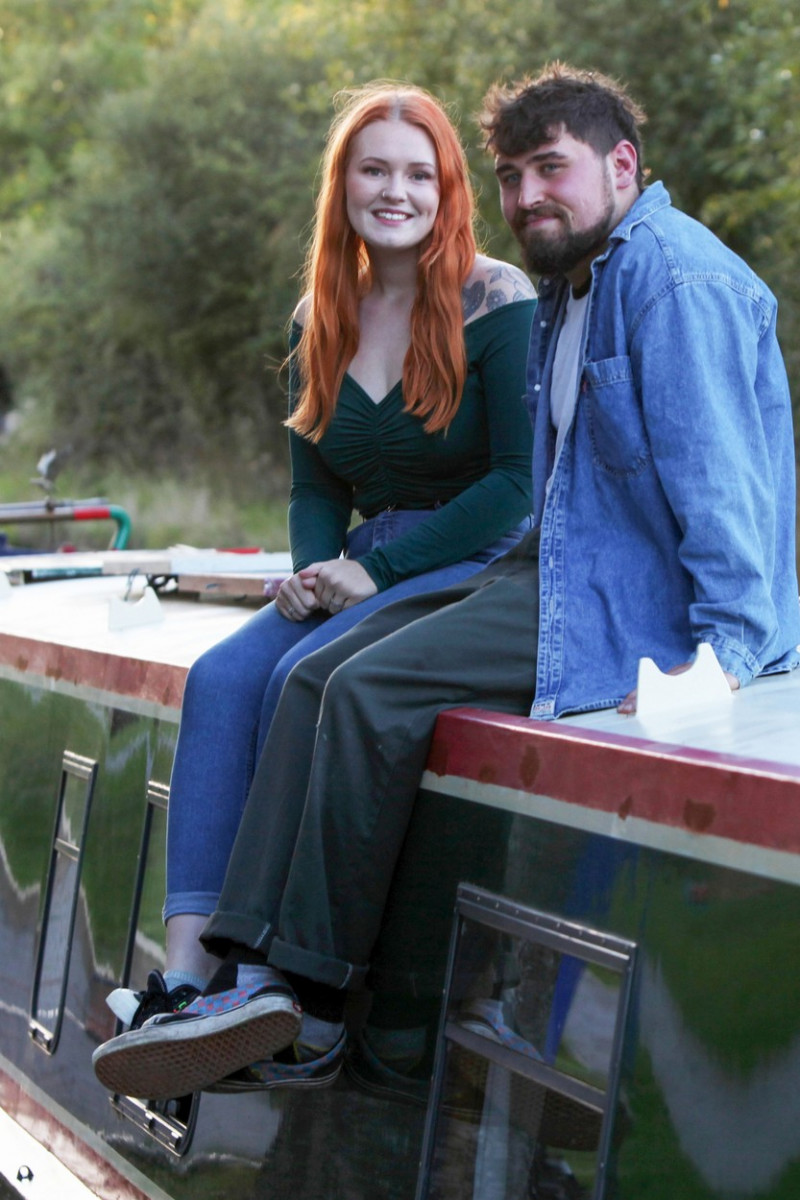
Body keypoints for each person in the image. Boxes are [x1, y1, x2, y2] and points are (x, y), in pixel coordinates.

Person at [93, 63, 800, 1102]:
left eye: (546, 170)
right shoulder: (580, 280)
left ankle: (314, 1007)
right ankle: (245, 976)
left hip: (607, 607)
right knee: (310, 671)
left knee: (367, 689)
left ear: (620, 164)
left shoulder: (673, 282)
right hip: (548, 569)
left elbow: (720, 488)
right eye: (511, 177)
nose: (526, 199)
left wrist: (727, 659)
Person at [105, 81, 536, 1030]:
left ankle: (259, 973)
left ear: (447, 187)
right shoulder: (319, 313)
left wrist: (373, 574)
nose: (397, 191)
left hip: (460, 563)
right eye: (375, 169)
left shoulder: (494, 296)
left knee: (302, 677)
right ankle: (183, 980)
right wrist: (311, 570)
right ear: (342, 185)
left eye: (418, 173)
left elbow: (516, 484)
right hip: (353, 566)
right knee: (220, 676)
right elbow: (315, 484)